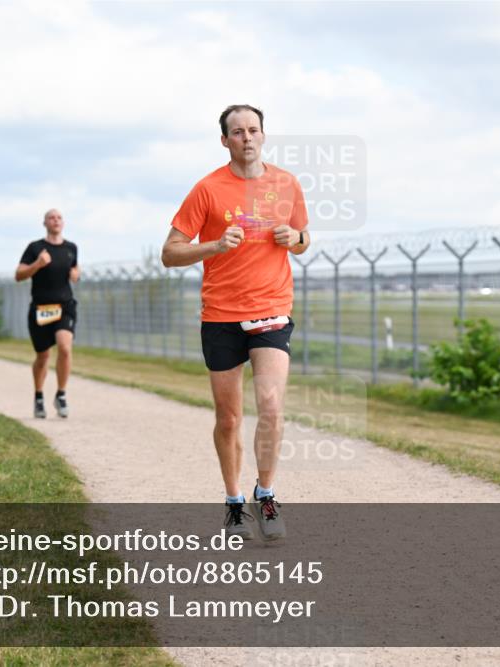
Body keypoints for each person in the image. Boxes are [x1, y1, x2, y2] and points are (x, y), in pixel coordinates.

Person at [161, 104, 311, 540]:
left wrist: (296, 238)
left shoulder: (287, 184)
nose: (247, 138)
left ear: (263, 135)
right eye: (238, 132)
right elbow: (170, 253)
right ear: (225, 140)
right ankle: (233, 501)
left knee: (271, 407)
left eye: (253, 130)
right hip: (221, 316)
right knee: (229, 418)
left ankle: (266, 493)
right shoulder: (207, 189)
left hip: (271, 309)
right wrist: (213, 246)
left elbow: (304, 239)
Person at [15, 209, 80, 419]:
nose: (56, 220)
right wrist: (38, 264)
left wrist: (76, 274)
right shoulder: (35, 248)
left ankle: (61, 394)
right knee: (43, 356)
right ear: (44, 223)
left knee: (65, 347)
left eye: (59, 217)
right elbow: (19, 275)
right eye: (51, 218)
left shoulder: (71, 248)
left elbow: (75, 269)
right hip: (41, 309)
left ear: (64, 222)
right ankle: (39, 396)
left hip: (65, 306)